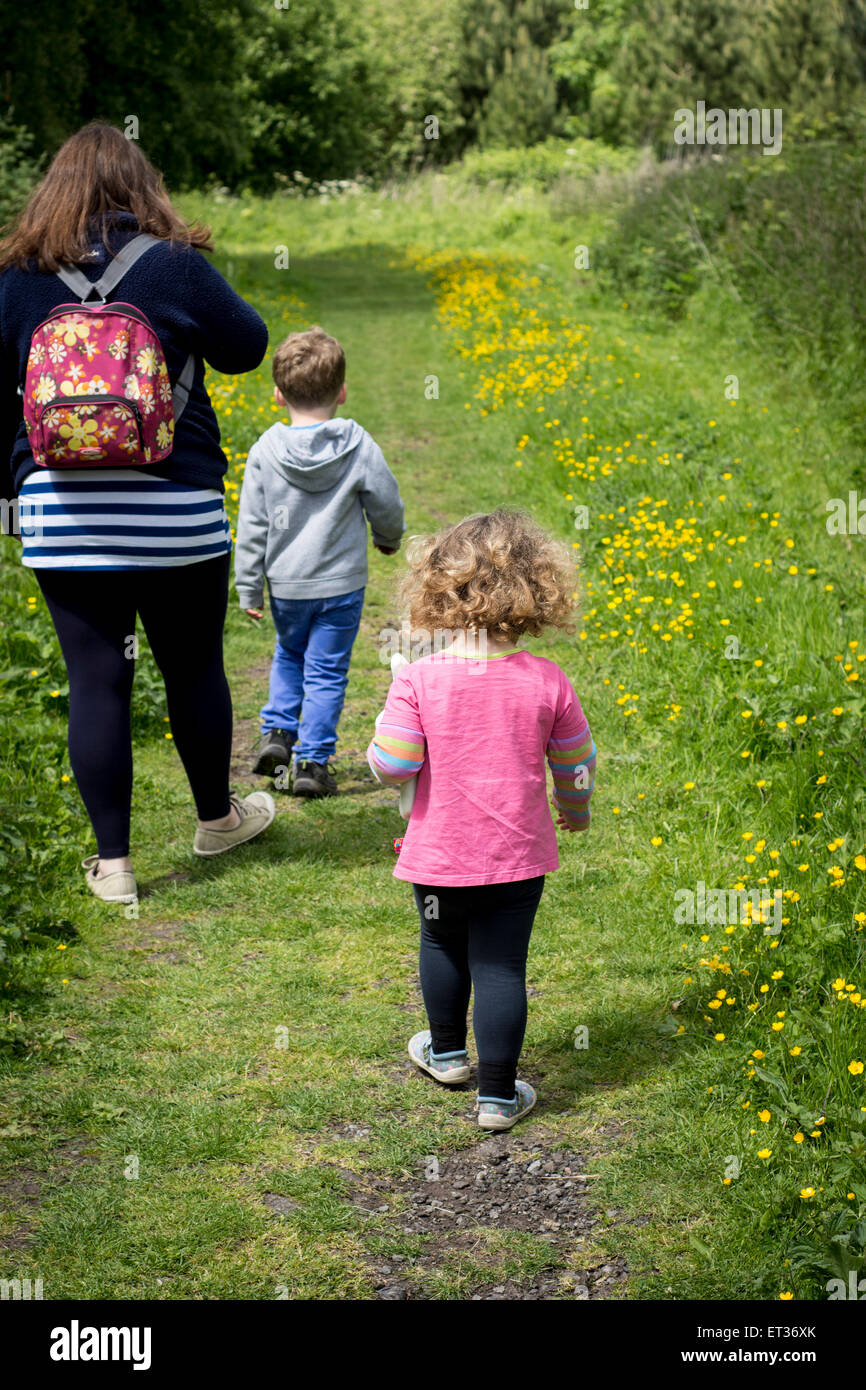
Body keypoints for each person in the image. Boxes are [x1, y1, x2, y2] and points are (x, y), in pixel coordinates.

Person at [0, 123, 275, 906]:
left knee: (97, 682)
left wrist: (9, 504)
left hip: (61, 515)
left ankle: (115, 865)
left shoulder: (17, 275)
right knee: (192, 669)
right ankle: (217, 819)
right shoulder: (174, 265)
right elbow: (248, 345)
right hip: (177, 510)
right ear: (142, 186)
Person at [367, 510, 596, 1130]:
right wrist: (575, 815)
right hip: (516, 857)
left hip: (439, 854)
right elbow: (576, 763)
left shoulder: (417, 678)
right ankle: (497, 1097)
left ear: (438, 588)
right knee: (501, 965)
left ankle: (445, 1055)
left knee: (441, 941)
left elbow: (394, 764)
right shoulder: (548, 681)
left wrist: (377, 745)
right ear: (537, 592)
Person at [234, 325, 404, 797]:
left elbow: (252, 525)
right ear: (343, 392)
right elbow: (386, 501)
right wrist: (388, 537)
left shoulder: (266, 450)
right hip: (340, 585)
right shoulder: (358, 445)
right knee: (327, 669)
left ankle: (277, 733)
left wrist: (249, 587)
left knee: (289, 653)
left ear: (277, 394)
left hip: (286, 584)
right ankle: (312, 761)